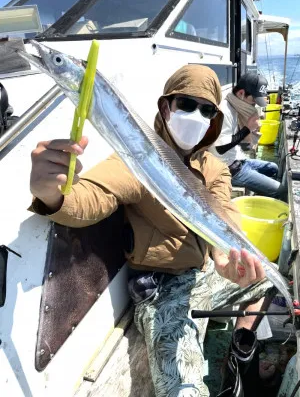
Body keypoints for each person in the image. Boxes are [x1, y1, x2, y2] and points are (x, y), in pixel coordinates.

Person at [29, 65, 272, 396]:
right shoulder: (137, 156)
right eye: (186, 104)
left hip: (204, 276)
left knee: (269, 281)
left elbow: (225, 215)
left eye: (207, 110)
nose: (196, 115)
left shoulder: (215, 168)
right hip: (164, 292)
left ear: (215, 118)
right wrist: (50, 191)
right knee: (182, 391)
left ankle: (234, 348)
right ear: (165, 107)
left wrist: (228, 258)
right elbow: (89, 200)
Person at [209, 72, 282, 198]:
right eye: (253, 101)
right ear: (241, 93)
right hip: (230, 169)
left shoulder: (236, 106)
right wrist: (248, 129)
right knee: (280, 190)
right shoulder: (224, 112)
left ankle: (260, 193)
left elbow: (241, 144)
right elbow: (220, 149)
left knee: (273, 168)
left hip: (239, 159)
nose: (254, 106)